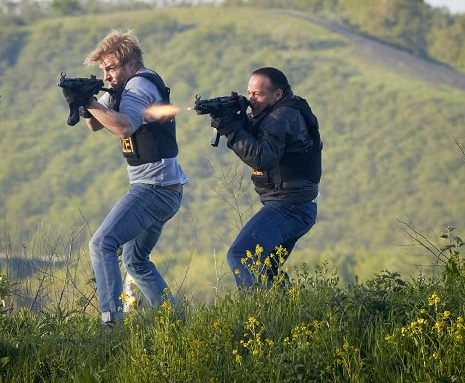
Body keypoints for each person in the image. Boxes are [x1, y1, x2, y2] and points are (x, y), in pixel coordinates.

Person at [81, 30, 188, 325]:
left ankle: (110, 322)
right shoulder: (123, 86)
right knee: (135, 261)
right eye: (103, 70)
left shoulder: (138, 86)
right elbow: (94, 126)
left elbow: (124, 127)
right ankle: (175, 321)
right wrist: (84, 101)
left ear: (130, 64)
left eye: (111, 68)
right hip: (167, 189)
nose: (107, 76)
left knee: (101, 244)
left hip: (154, 188)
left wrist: (90, 102)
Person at [211, 67, 322, 289]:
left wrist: (232, 129)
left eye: (257, 95)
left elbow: (262, 157)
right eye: (249, 93)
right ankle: (288, 317)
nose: (251, 100)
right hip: (299, 206)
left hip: (290, 207)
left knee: (241, 255)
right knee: (268, 272)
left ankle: (256, 317)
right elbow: (263, 136)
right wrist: (237, 119)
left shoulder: (281, 116)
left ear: (277, 95)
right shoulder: (286, 110)